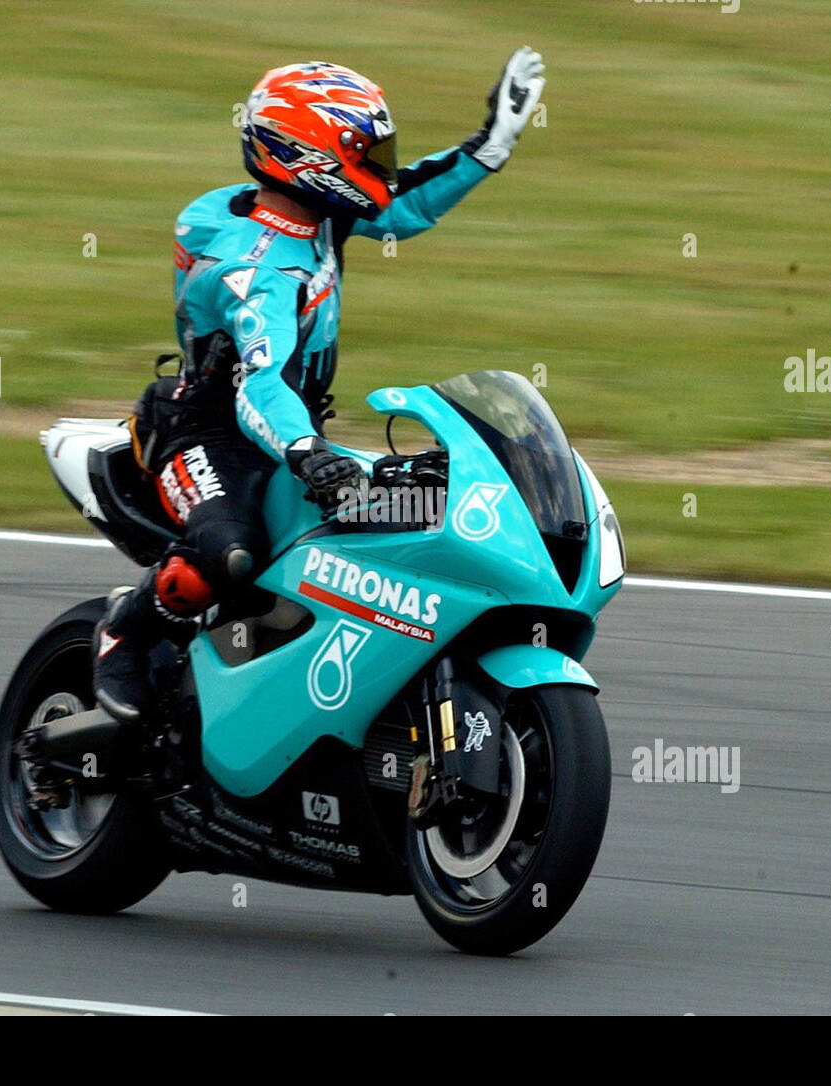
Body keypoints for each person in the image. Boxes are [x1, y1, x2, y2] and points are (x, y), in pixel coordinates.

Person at [93, 48, 547, 722]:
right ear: (313, 159)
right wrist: (307, 449)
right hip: (205, 435)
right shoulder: (258, 268)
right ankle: (124, 633)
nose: (383, 167)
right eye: (368, 152)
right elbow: (261, 383)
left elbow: (405, 208)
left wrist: (490, 148)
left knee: (399, 519)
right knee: (234, 556)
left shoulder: (316, 216)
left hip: (293, 438)